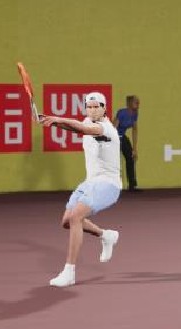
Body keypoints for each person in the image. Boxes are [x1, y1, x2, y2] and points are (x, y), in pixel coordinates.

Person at [39, 92, 121, 288]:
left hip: (108, 184)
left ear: (104, 108)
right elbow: (75, 127)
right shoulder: (87, 121)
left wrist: (57, 119)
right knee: (67, 221)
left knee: (76, 217)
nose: (92, 110)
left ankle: (69, 272)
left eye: (96, 106)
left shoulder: (106, 129)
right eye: (89, 107)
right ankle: (106, 235)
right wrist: (51, 122)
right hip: (90, 183)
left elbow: (82, 129)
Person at [113, 95, 140, 192]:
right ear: (130, 103)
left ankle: (132, 185)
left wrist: (134, 149)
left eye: (138, 102)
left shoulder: (135, 114)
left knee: (131, 158)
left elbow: (135, 130)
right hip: (115, 137)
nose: (138, 104)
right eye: (136, 102)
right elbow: (114, 128)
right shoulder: (122, 113)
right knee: (115, 163)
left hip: (122, 137)